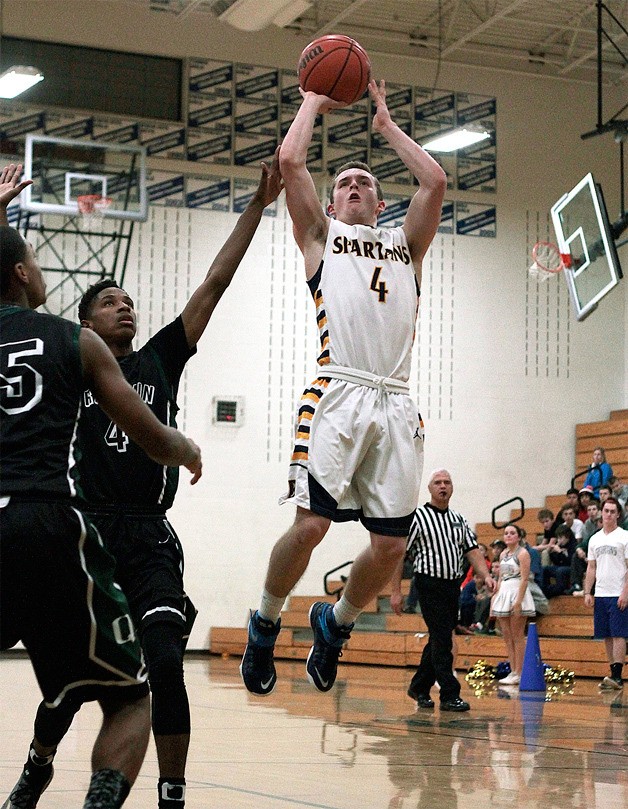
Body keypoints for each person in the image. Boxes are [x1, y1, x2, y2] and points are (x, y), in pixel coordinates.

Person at [2, 155, 282, 809]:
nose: (124, 307)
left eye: (128, 301)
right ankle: (37, 767)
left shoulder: (159, 358)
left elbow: (214, 283)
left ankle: (173, 791)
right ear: (86, 320)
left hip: (150, 536)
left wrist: (255, 208)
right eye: (109, 301)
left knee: (161, 663)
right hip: (84, 529)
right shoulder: (65, 352)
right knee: (71, 677)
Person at [0, 166, 202, 809]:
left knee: (95, 677)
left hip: (122, 530)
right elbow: (154, 438)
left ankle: (60, 771)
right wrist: (187, 448)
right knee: (126, 695)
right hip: (52, 521)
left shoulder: (149, 354)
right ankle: (73, 783)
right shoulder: (72, 343)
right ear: (26, 273)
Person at [239, 79, 447, 697]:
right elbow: (290, 161)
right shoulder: (321, 240)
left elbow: (434, 182)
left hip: (397, 398)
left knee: (390, 545)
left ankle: (335, 627)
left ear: (380, 205)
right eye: (345, 185)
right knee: (311, 528)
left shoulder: (407, 247)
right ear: (331, 207)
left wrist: (386, 126)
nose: (355, 187)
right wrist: (313, 101)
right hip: (339, 392)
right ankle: (265, 624)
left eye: (366, 184)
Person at [391, 469, 496, 711]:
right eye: (437, 482)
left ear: (452, 487)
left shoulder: (459, 519)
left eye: (447, 482)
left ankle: (419, 686)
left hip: (452, 585)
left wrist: (487, 576)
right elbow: (399, 555)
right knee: (442, 638)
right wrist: (396, 591)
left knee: (439, 637)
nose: (443, 486)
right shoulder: (418, 517)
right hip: (428, 583)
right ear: (430, 488)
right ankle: (449, 694)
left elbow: (472, 551)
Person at [583, 497, 628, 690]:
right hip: (601, 593)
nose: (608, 514)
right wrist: (587, 591)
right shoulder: (594, 539)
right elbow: (591, 567)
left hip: (618, 591)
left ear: (618, 514)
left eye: (612, 511)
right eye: (606, 510)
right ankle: (612, 674)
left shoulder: (624, 536)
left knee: (619, 634)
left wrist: (625, 592)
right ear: (601, 512)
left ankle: (618, 676)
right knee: (607, 635)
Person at [490, 524, 536, 686]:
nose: (509, 535)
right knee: (507, 636)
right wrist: (496, 596)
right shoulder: (503, 554)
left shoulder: (523, 554)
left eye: (512, 533)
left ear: (518, 536)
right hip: (504, 593)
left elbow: (524, 579)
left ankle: (520, 671)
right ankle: (512, 670)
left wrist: (518, 601)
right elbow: (501, 578)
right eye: (506, 533)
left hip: (517, 592)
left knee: (517, 636)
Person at [542, 524, 577, 597]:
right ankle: (544, 589)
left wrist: (560, 553)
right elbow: (556, 562)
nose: (559, 540)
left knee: (560, 571)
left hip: (571, 568)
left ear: (567, 536)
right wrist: (552, 553)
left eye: (561, 538)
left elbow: (570, 562)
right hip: (561, 567)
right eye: (558, 538)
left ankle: (560, 590)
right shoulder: (561, 545)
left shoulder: (574, 545)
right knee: (545, 569)